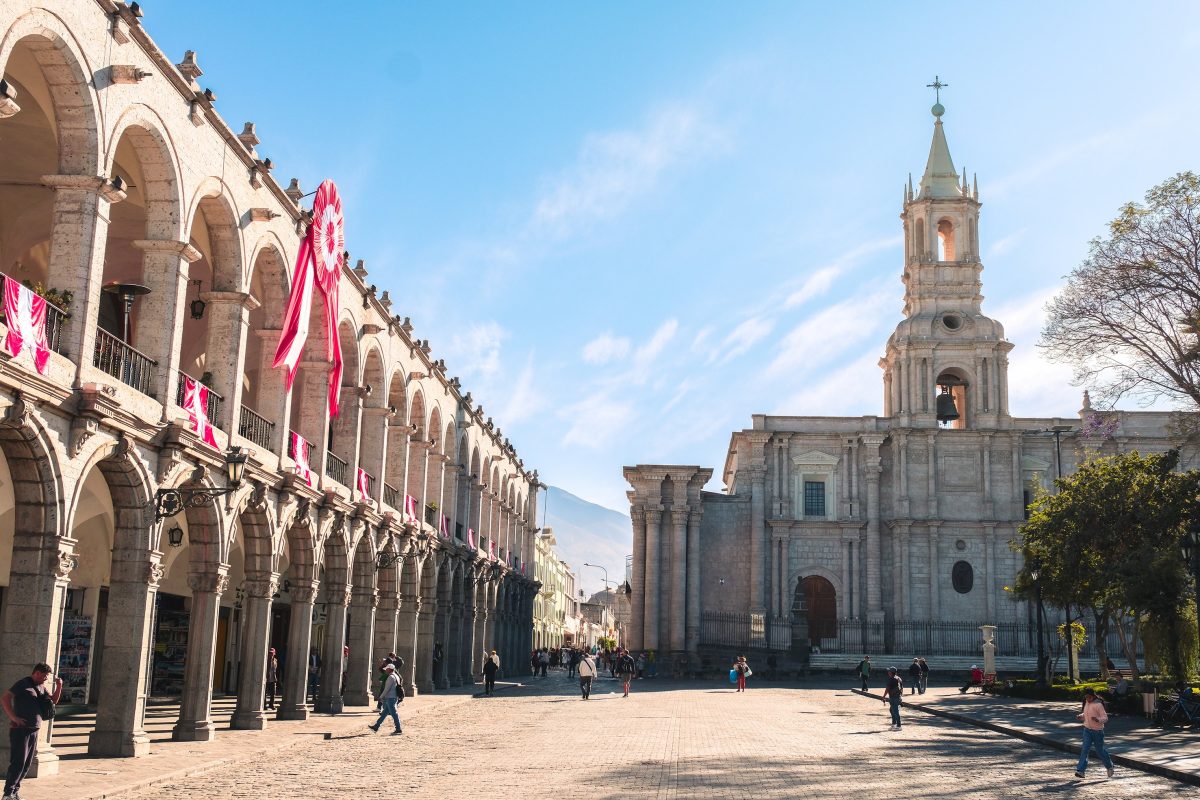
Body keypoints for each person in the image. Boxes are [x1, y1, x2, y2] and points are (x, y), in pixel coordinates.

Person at [2, 662, 62, 800]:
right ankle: (7, 794)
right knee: (18, 762)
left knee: (27, 764)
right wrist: (14, 717)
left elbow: (53, 700)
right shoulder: (22, 684)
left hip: (34, 729)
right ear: (37, 673)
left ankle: (14, 792)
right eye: (45, 676)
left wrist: (59, 686)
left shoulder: (41, 687)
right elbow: (5, 698)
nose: (46, 679)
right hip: (20, 730)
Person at [1075, 687, 1115, 779]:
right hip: (1087, 730)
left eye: (1089, 697)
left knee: (1100, 751)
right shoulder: (1086, 703)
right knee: (1085, 749)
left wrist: (1098, 719)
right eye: (1086, 697)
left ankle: (1110, 766)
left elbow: (1105, 718)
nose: (1088, 699)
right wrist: (1081, 716)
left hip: (1097, 731)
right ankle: (1080, 771)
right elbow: (1086, 714)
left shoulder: (1098, 704)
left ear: (1093, 696)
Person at [367, 663, 403, 735]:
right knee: (384, 713)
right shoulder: (396, 676)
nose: (385, 670)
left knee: (394, 714)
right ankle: (376, 726)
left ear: (389, 669)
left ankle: (398, 729)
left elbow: (387, 689)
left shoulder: (390, 677)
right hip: (393, 697)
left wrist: (381, 696)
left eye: (387, 669)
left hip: (390, 698)